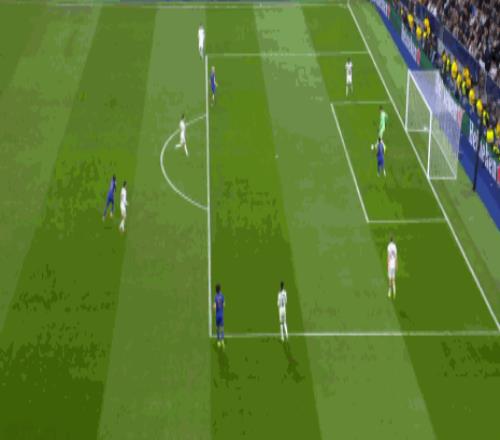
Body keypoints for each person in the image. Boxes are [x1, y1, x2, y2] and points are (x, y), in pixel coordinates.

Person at [213, 284, 225, 348]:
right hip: (221, 314)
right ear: (220, 289)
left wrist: (213, 309)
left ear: (216, 289)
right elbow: (224, 304)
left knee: (217, 328)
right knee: (222, 328)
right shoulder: (222, 296)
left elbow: (214, 306)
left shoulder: (215, 297)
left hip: (217, 315)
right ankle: (222, 340)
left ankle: (218, 341)